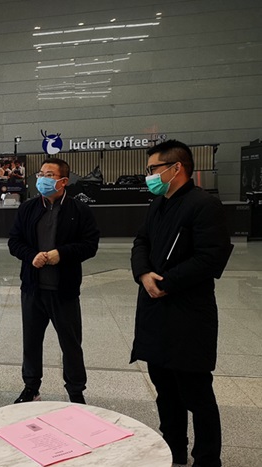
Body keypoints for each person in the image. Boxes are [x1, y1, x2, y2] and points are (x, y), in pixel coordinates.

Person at [130, 140, 232, 467]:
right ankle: (173, 450)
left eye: (153, 169)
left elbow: (211, 258)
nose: (149, 175)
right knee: (165, 390)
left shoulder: (204, 205)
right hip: (155, 313)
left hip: (189, 316)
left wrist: (166, 283)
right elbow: (141, 241)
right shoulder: (158, 204)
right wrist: (143, 273)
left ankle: (206, 458)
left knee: (197, 394)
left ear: (176, 168)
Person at [8, 157, 99, 405]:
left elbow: (90, 245)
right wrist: (31, 256)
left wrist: (63, 253)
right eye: (41, 174)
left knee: (71, 344)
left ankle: (76, 391)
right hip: (33, 289)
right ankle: (31, 387)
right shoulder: (28, 208)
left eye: (49, 175)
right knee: (31, 341)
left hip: (64, 290)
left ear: (63, 181)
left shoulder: (79, 210)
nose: (42, 179)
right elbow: (14, 241)